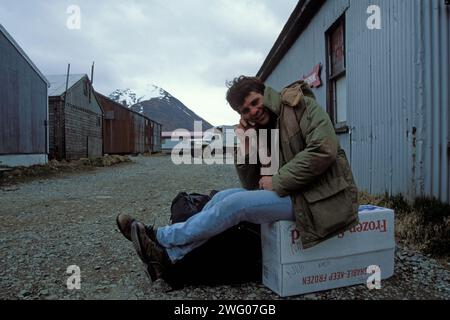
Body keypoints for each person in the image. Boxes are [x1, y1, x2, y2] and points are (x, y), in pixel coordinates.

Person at [117, 76, 359, 283]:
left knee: (235, 206)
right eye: (246, 110)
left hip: (320, 198)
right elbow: (250, 185)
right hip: (295, 193)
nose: (254, 110)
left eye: (255, 102)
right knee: (224, 197)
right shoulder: (264, 129)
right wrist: (245, 143)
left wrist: (278, 180)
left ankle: (159, 237)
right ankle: (169, 256)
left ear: (265, 93)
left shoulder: (301, 106)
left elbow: (324, 149)